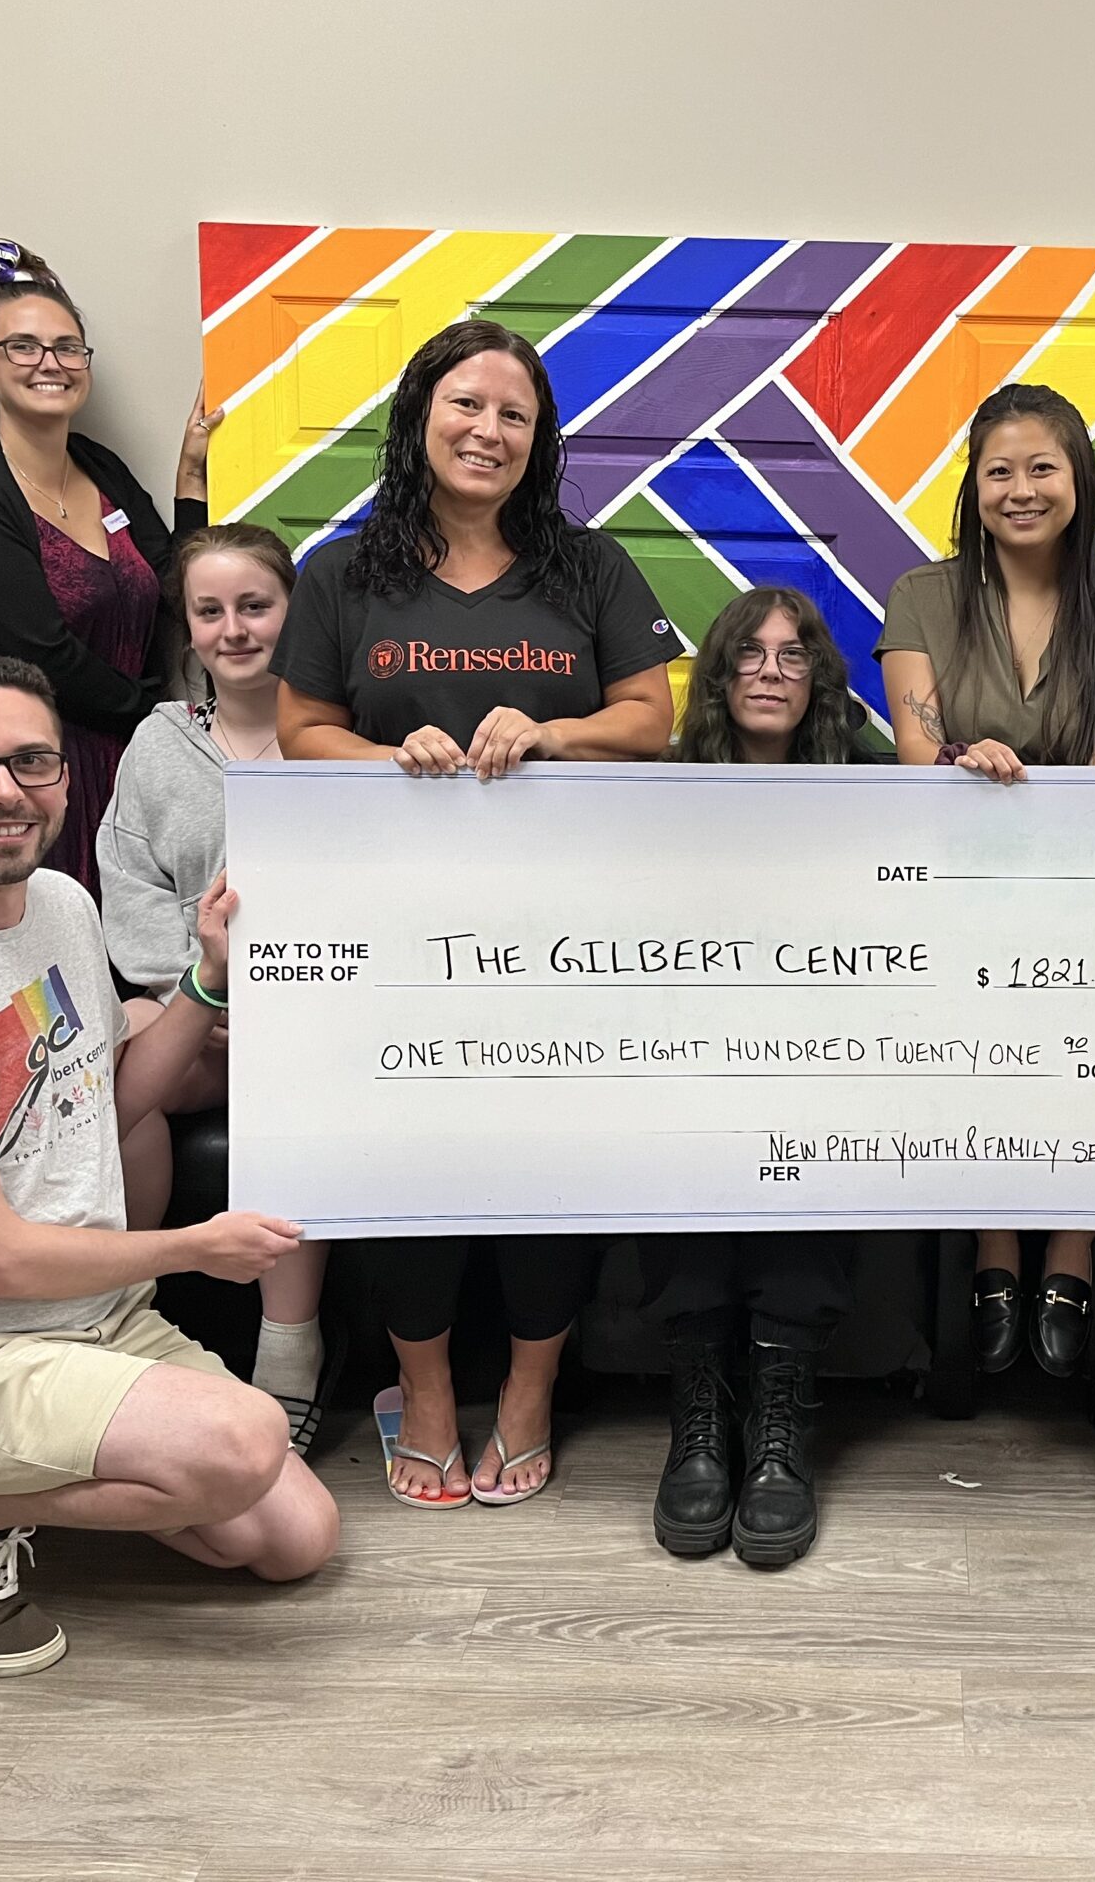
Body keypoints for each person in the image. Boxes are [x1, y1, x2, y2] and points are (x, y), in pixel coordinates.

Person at [0, 656, 337, 1678]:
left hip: (93, 1326)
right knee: (239, 1442)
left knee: (290, 1543)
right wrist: (195, 1245)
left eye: (29, 762)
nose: (4, 791)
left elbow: (114, 1097)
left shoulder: (60, 903)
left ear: (63, 778)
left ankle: (58, 1469)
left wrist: (207, 978)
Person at [271, 316, 678, 1508]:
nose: (488, 430)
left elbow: (648, 719)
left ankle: (530, 1394)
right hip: (389, 927)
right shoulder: (343, 574)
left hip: (563, 933)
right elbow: (301, 733)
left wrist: (547, 731)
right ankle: (430, 1394)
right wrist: (393, 757)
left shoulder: (588, 567)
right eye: (466, 405)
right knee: (408, 1159)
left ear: (538, 438)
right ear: (419, 419)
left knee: (543, 1162)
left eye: (514, 413)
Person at [876, 383, 1095, 1378]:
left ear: (1077, 482)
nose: (1020, 488)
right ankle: (997, 1239)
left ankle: (1073, 1242)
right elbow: (917, 753)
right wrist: (963, 766)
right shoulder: (922, 595)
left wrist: (1032, 814)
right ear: (973, 486)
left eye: (1041, 467)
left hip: (1087, 880)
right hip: (955, 879)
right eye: (998, 469)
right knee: (972, 1019)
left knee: (1092, 1023)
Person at [649, 586, 871, 1566]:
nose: (771, 672)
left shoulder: (871, 780)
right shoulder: (660, 787)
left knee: (812, 1127)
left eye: (792, 655)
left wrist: (974, 771)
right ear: (718, 673)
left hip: (825, 1051)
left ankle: (779, 1415)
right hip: (687, 1050)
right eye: (749, 654)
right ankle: (701, 1406)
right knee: (678, 1133)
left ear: (817, 676)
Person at [97, 523, 330, 1456]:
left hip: (313, 1026)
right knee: (121, 1054)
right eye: (210, 611)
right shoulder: (155, 746)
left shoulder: (340, 742)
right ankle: (122, 1311)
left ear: (293, 612)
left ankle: (290, 1353)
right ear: (187, 629)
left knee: (296, 1092)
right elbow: (130, 890)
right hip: (193, 1011)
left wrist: (274, 1013)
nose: (234, 628)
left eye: (255, 606)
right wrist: (203, 999)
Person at [0, 239, 211, 897]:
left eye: (67, 347)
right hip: (41, 776)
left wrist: (191, 475)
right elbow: (37, 652)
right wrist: (158, 722)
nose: (50, 363)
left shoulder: (99, 466)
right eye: (23, 347)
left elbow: (178, 589)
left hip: (136, 769)